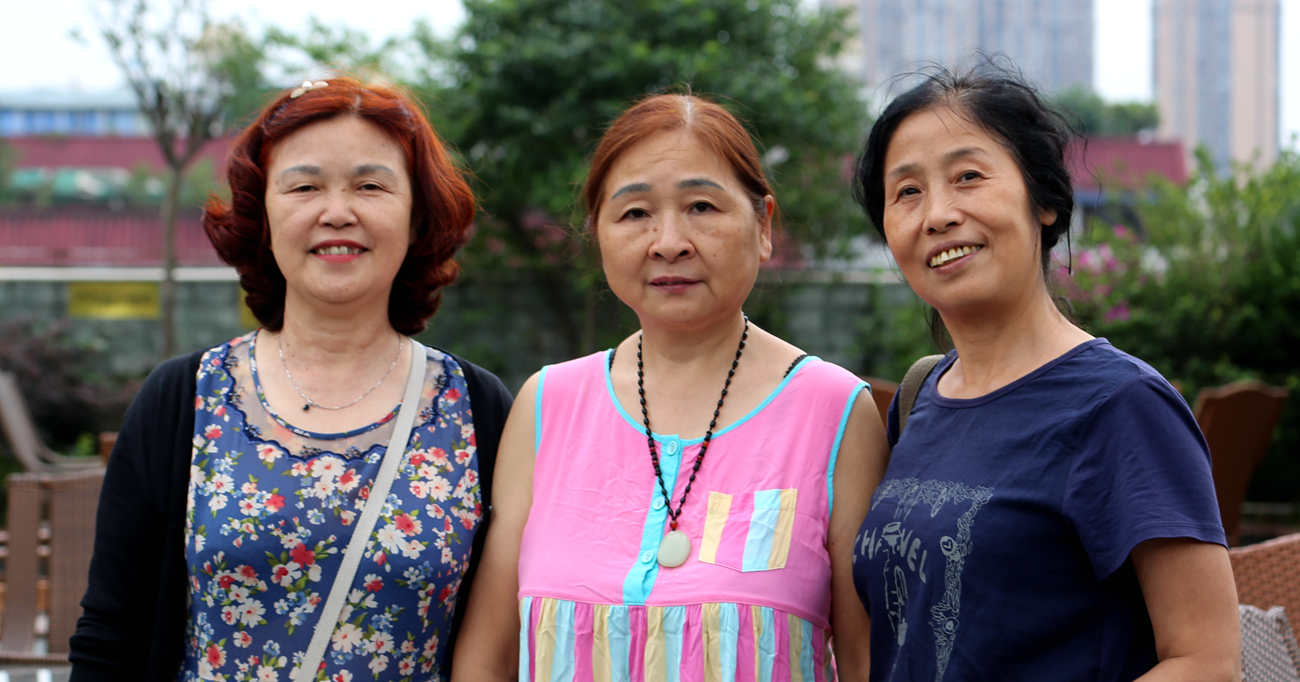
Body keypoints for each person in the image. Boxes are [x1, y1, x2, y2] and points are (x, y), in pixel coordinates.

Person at [68, 76, 513, 682]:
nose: (337, 212)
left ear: (416, 218)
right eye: (304, 186)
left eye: (371, 186)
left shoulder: (476, 409)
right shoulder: (183, 398)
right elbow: (111, 634)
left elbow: (506, 642)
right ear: (264, 217)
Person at [451, 93, 889, 682]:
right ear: (599, 235)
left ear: (763, 225)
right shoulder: (547, 404)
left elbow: (867, 660)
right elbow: (488, 658)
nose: (668, 242)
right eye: (635, 213)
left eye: (701, 206)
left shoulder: (834, 410)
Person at [849, 63, 1240, 681]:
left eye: (968, 176)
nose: (938, 214)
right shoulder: (919, 398)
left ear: (1047, 202)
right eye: (907, 192)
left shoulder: (1121, 404)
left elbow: (1208, 662)